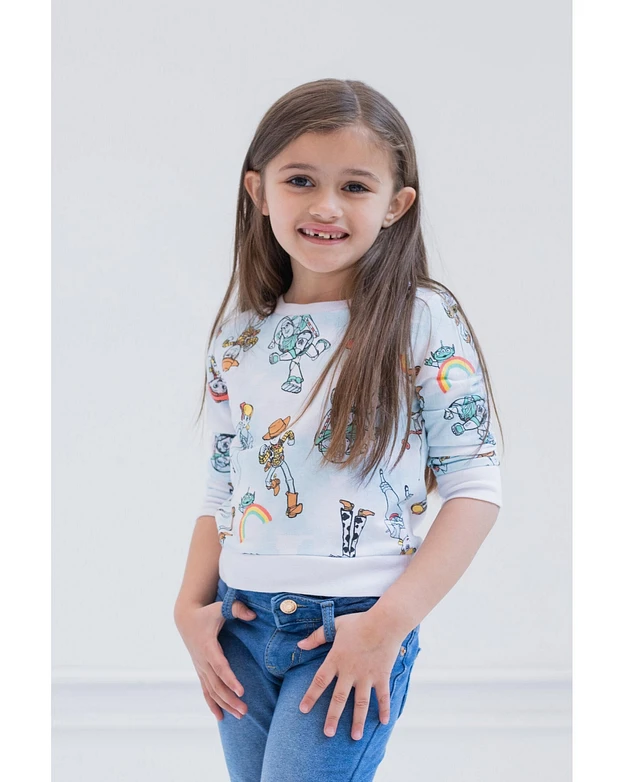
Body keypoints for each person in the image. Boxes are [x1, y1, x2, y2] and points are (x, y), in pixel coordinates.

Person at [174, 78, 504, 782]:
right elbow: (223, 486)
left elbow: (476, 488)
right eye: (301, 180)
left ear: (396, 205)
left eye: (355, 186)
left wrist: (387, 625)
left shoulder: (422, 319)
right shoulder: (239, 336)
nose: (326, 206)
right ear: (259, 191)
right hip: (238, 626)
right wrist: (189, 606)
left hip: (352, 628)